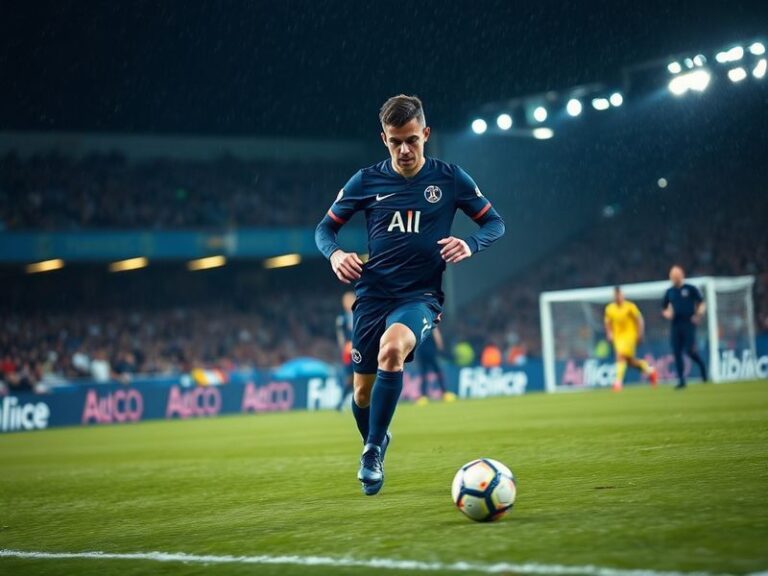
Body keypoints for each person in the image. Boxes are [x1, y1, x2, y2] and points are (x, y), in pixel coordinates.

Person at [315, 94, 505, 495]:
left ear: (426, 134)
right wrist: (335, 255)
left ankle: (371, 452)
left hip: (419, 296)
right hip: (373, 294)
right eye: (396, 141)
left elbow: (494, 223)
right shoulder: (366, 181)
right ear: (384, 138)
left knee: (392, 349)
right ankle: (377, 437)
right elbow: (324, 230)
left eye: (412, 140)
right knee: (361, 393)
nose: (404, 150)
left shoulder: (450, 178)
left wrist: (470, 244)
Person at [662, 265, 708, 389]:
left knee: (689, 350)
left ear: (682, 275)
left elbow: (702, 303)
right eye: (672, 275)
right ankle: (681, 380)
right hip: (675, 325)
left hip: (688, 323)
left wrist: (698, 315)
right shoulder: (669, 292)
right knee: (676, 352)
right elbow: (664, 308)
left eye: (676, 274)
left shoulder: (691, 288)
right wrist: (668, 314)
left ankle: (702, 368)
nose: (674, 277)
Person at [604, 286, 657, 391]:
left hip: (630, 335)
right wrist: (609, 333)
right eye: (615, 295)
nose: (617, 297)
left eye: (619, 295)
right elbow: (608, 322)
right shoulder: (609, 309)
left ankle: (618, 383)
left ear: (622, 295)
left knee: (620, 356)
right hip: (618, 337)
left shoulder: (630, 307)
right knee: (629, 361)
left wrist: (640, 333)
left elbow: (639, 319)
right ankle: (651, 371)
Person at [415, 326, 455, 405]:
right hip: (431, 352)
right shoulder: (431, 322)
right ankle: (445, 393)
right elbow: (437, 335)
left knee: (424, 374)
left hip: (421, 352)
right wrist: (440, 347)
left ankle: (423, 396)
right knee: (438, 372)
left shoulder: (418, 325)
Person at [335, 291, 356, 411]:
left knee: (363, 375)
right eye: (346, 301)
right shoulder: (342, 318)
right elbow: (340, 335)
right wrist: (344, 346)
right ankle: (341, 402)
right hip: (349, 350)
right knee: (351, 378)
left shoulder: (360, 314)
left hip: (361, 348)